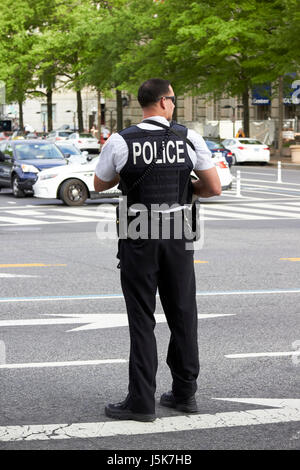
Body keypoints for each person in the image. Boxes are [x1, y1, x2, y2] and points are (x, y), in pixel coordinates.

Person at [94, 78, 221, 422]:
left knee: (141, 320)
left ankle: (141, 402)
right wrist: (185, 188)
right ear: (164, 102)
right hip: (178, 235)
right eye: (174, 99)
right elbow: (213, 187)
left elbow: (100, 183)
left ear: (142, 104)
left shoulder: (121, 140)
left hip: (138, 236)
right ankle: (184, 394)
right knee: (183, 315)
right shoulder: (188, 138)